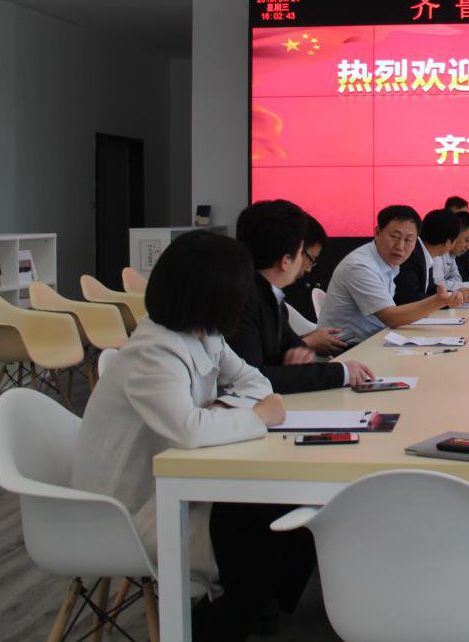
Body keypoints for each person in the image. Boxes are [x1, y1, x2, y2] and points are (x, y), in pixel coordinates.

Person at [71, 231, 311, 641]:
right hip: (131, 508)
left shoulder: (204, 334)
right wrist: (252, 416)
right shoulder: (154, 351)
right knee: (259, 549)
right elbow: (189, 428)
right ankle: (224, 622)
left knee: (284, 529)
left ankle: (253, 614)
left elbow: (255, 383)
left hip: (179, 482)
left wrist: (221, 412)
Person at [229, 200, 373, 394]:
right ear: (286, 261)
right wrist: (342, 373)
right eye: (300, 252)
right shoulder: (241, 300)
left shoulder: (267, 293)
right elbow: (255, 378)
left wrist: (296, 350)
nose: (307, 267)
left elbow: (290, 343)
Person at [318, 205, 467, 345]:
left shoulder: (388, 263)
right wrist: (439, 301)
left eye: (408, 240)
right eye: (394, 236)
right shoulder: (360, 266)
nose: (400, 246)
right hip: (345, 348)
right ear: (377, 232)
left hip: (374, 340)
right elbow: (391, 317)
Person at [294, 214, 349, 355]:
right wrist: (308, 342)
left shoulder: (274, 296)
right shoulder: (254, 299)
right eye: (311, 259)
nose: (308, 269)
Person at [393, 208, 467, 305]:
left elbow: (430, 289)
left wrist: (452, 295)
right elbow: (410, 299)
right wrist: (447, 300)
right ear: (448, 242)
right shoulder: (412, 254)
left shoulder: (424, 253)